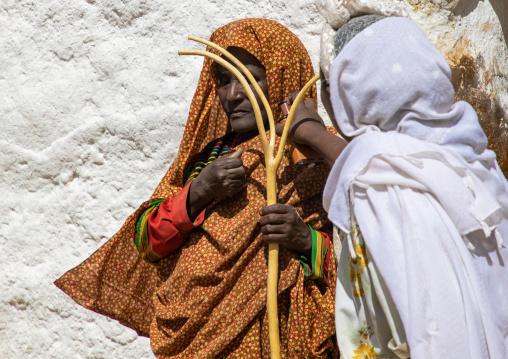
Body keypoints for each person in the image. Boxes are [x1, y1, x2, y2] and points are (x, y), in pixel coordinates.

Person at [55, 18, 338, 358]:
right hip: (195, 338)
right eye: (223, 80)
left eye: (250, 79)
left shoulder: (322, 156)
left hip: (282, 335)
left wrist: (306, 241)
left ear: (281, 76)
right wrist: (199, 191)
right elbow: (148, 242)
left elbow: (367, 248)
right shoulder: (210, 158)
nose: (233, 94)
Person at [279, 15, 508, 359]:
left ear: (349, 92)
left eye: (333, 86)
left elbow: (375, 165)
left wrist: (315, 134)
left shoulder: (382, 183)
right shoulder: (473, 156)